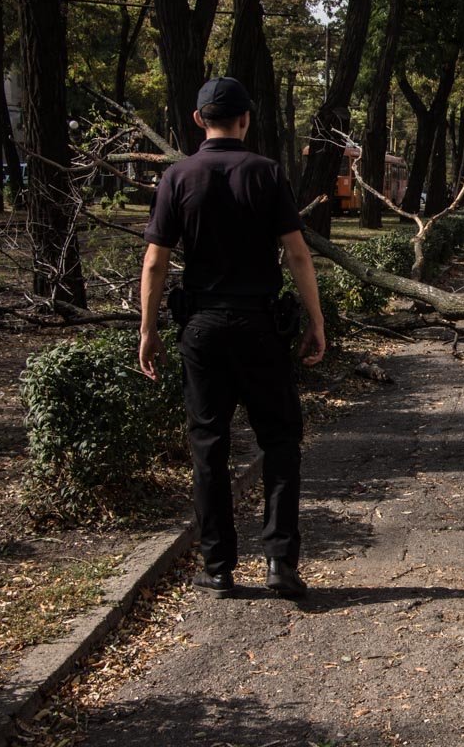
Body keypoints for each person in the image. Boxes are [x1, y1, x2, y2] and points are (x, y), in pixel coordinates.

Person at [138, 77, 326, 599]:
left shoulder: (177, 176)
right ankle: (280, 564)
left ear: (199, 120)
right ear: (246, 120)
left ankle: (218, 567)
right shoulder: (267, 173)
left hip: (202, 327)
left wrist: (148, 329)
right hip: (261, 327)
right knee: (280, 441)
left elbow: (155, 261)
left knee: (209, 445)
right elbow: (297, 254)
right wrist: (316, 320)